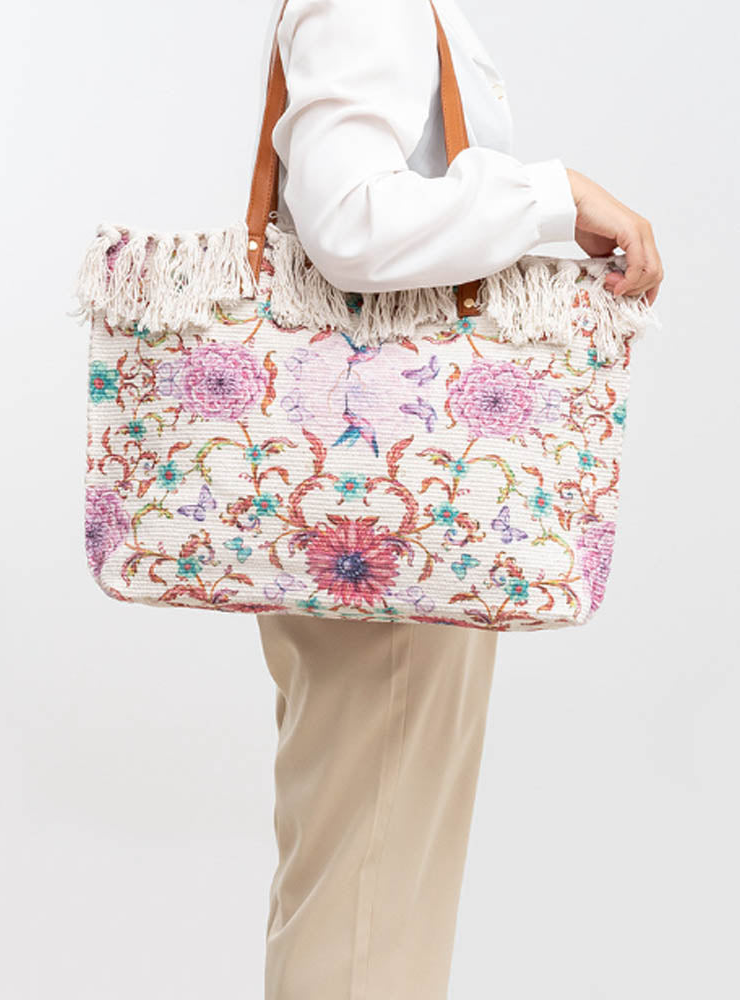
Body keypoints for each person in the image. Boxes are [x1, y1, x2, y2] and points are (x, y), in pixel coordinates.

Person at [253, 2, 663, 999]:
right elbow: (349, 220)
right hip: (394, 515)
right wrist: (553, 194)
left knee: (368, 889)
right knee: (370, 904)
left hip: (389, 497)